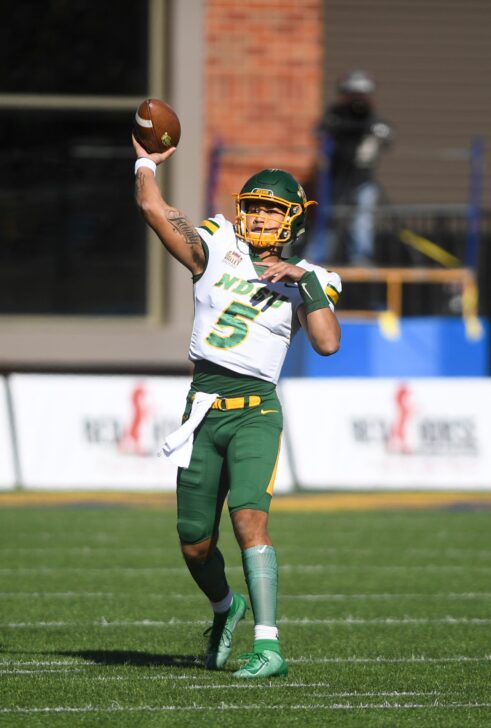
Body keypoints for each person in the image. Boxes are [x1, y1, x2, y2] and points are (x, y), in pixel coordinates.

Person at [132, 135, 342, 678]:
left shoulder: (314, 278)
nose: (261, 219)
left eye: (273, 211)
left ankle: (269, 646)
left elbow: (326, 342)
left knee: (250, 521)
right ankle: (227, 608)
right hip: (203, 408)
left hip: (255, 412)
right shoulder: (215, 242)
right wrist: (146, 163)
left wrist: (304, 281)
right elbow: (154, 209)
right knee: (194, 544)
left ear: (294, 221)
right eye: (254, 208)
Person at [314, 70, 394, 265]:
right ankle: (316, 258)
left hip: (362, 179)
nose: (357, 101)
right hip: (336, 178)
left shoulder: (373, 119)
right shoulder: (335, 116)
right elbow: (320, 132)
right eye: (352, 95)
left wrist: (373, 137)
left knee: (363, 218)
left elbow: (388, 135)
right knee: (328, 218)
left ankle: (361, 257)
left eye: (362, 95)